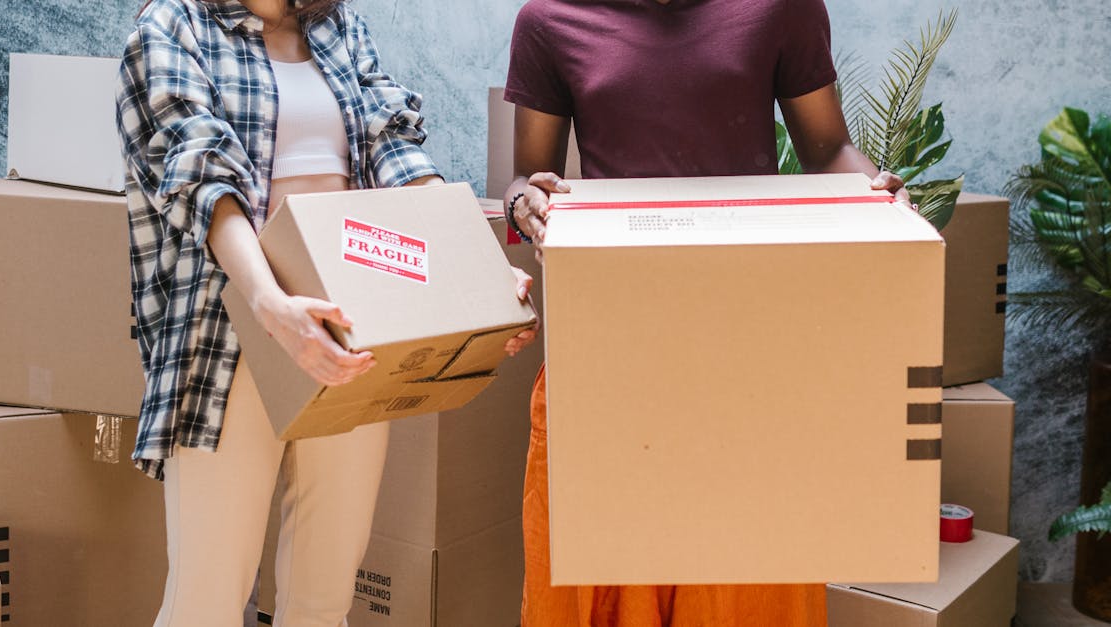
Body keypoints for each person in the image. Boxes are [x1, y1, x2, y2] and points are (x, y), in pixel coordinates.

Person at [116, 1, 535, 625]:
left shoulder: (335, 25)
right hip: (228, 336)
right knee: (206, 600)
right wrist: (271, 305)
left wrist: (477, 273)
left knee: (324, 597)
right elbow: (202, 179)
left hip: (352, 327)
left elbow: (395, 152)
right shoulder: (171, 27)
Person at [502, 0, 911, 625]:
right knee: (599, 577)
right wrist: (522, 202)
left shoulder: (781, 9)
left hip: (746, 345)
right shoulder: (550, 19)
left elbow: (829, 153)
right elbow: (527, 179)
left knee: (743, 581)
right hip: (610, 348)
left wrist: (876, 191)